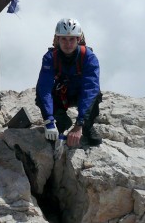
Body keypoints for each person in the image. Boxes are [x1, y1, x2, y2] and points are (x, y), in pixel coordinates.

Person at [35, 18, 103, 148]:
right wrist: (49, 120)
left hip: (80, 93)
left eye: (72, 39)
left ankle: (87, 127)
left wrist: (79, 124)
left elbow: (90, 89)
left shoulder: (89, 57)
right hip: (62, 94)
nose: (68, 44)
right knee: (40, 97)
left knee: (95, 96)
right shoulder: (50, 58)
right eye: (64, 39)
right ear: (57, 40)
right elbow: (44, 88)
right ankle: (62, 122)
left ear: (78, 40)